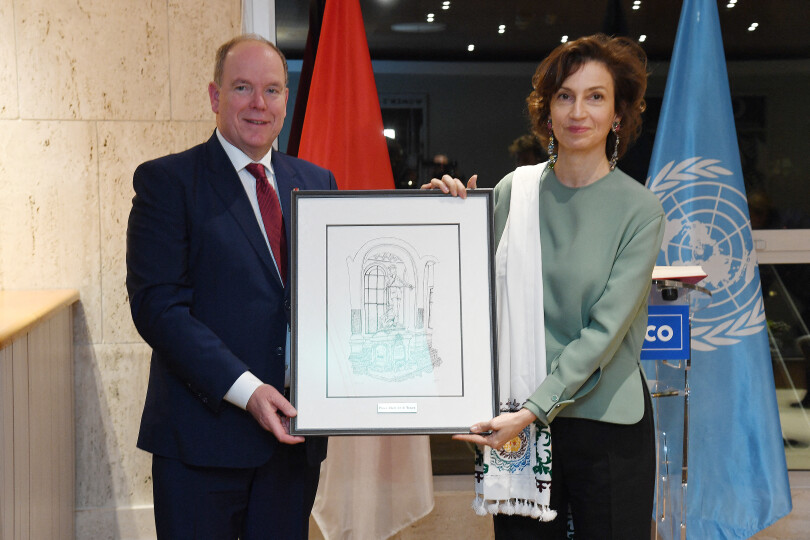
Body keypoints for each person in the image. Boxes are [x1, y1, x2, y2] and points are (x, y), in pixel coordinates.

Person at [423, 34, 665, 538]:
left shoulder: (640, 210)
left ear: (618, 115)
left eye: (595, 96)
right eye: (565, 95)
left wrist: (532, 409)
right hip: (520, 424)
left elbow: (604, 334)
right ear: (547, 110)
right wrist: (447, 221)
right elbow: (470, 294)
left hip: (605, 425)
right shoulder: (517, 190)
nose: (579, 110)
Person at [126, 34, 335, 539]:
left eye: (272, 90)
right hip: (202, 444)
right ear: (215, 97)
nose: (259, 104)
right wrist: (248, 391)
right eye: (243, 88)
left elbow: (344, 286)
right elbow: (159, 308)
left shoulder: (317, 182)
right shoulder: (167, 182)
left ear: (286, 100)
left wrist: (440, 209)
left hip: (291, 444)